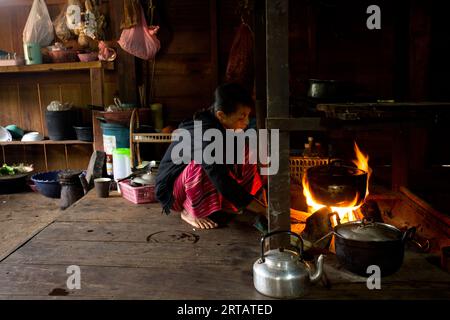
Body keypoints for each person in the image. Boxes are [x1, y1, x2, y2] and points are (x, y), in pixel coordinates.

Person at [155, 83, 267, 229]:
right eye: (241, 117)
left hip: (197, 181)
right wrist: (264, 211)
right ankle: (189, 211)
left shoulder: (224, 126)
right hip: (173, 193)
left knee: (246, 150)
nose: (246, 122)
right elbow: (220, 177)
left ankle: (230, 203)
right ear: (221, 115)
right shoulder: (202, 133)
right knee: (203, 164)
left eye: (247, 116)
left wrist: (259, 201)